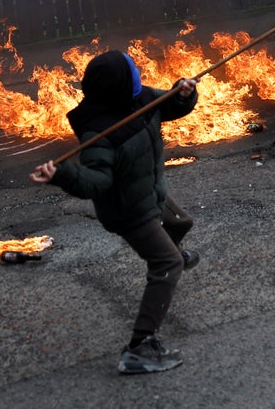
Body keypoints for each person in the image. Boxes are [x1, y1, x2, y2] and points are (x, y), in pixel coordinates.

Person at [30, 49, 200, 374]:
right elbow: (96, 182)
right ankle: (140, 348)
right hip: (128, 211)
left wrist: (183, 92)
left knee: (181, 221)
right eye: (132, 72)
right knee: (168, 263)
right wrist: (62, 174)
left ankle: (170, 246)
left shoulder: (140, 99)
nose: (138, 74)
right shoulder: (99, 135)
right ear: (119, 86)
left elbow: (169, 105)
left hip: (149, 192)